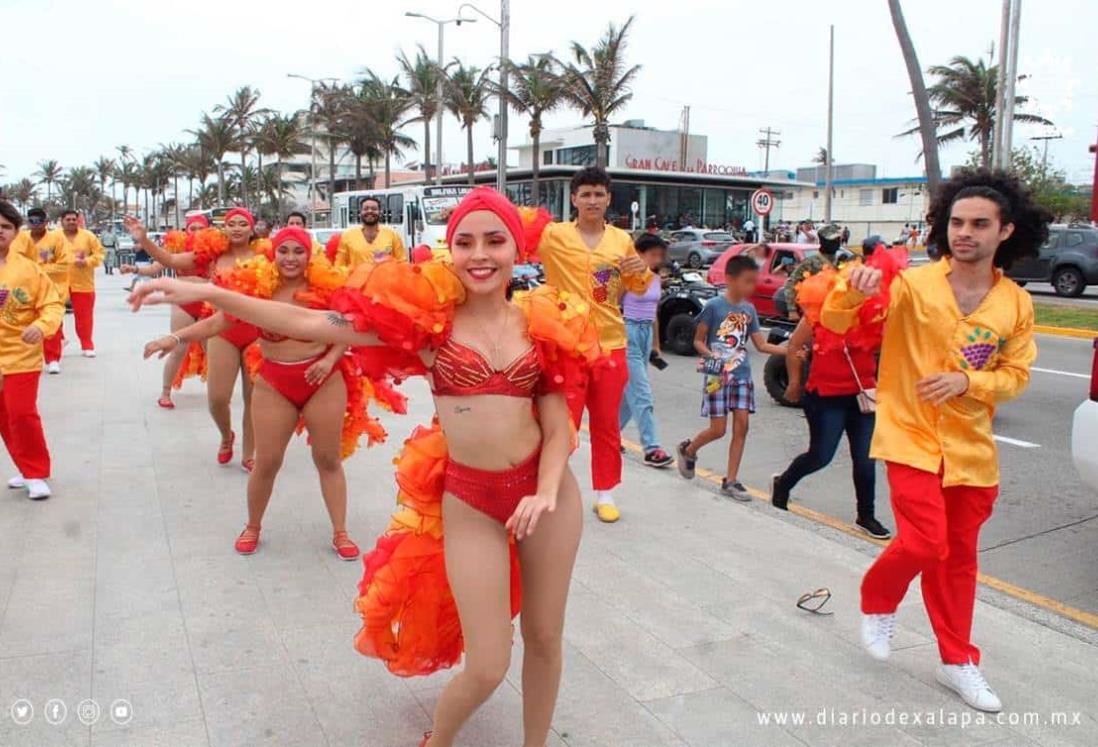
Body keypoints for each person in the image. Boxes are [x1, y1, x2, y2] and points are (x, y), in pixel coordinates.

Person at [129, 187, 595, 747]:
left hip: (547, 498)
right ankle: (439, 740)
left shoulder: (541, 323)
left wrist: (544, 490)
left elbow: (556, 415)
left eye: (494, 241)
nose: (480, 255)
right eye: (465, 242)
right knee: (488, 664)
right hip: (472, 502)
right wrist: (208, 291)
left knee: (545, 637)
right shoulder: (431, 328)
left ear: (515, 249)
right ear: (450, 251)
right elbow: (310, 322)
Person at [823, 169, 1049, 713]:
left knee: (959, 559)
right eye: (956, 222)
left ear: (1005, 231)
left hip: (971, 449)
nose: (964, 232)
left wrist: (970, 381)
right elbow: (837, 321)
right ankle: (879, 601)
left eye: (979, 224)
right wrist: (853, 292)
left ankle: (958, 661)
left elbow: (1016, 375)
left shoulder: (1014, 303)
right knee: (924, 542)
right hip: (910, 434)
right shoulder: (912, 285)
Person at [141, 227, 379, 558]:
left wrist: (329, 359)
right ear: (273, 253)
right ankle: (253, 525)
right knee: (267, 462)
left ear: (310, 255)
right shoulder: (257, 288)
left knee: (327, 459)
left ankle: (340, 532)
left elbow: (348, 326)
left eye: (299, 251)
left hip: (323, 382)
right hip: (275, 383)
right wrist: (174, 339)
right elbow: (216, 324)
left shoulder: (325, 287)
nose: (291, 258)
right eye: (284, 251)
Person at [536, 166, 653, 522]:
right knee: (561, 423)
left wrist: (640, 269)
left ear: (608, 199)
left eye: (598, 194)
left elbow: (638, 287)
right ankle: (548, 488)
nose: (592, 200)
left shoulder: (621, 240)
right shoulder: (553, 236)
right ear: (573, 199)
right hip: (567, 344)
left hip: (610, 343)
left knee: (606, 423)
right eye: (585, 194)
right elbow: (515, 239)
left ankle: (605, 492)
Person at [770, 245, 902, 540]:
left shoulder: (878, 314)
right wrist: (793, 383)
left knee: (866, 458)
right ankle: (783, 484)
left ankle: (865, 515)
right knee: (821, 455)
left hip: (862, 395)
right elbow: (793, 347)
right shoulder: (820, 310)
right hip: (825, 396)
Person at [125, 207, 263, 470]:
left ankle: (249, 453)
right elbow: (171, 261)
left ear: (252, 228)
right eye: (230, 223)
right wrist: (143, 240)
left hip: (257, 332)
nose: (236, 228)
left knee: (253, 400)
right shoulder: (213, 255)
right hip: (221, 329)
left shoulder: (265, 255)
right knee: (217, 399)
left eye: (242, 223)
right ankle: (226, 435)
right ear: (224, 228)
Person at [676, 255, 786, 498]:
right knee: (718, 429)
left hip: (742, 374)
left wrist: (789, 350)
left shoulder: (749, 309)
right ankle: (689, 449)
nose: (751, 286)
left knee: (742, 426)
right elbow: (698, 340)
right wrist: (712, 357)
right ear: (730, 279)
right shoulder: (714, 306)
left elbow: (761, 345)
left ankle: (731, 480)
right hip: (717, 374)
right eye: (747, 281)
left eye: (753, 281)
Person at [0, 200, 65, 500]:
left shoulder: (29, 270)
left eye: (5, 227)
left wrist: (41, 325)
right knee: (4, 417)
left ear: (15, 233)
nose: (0, 232)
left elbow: (51, 304)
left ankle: (36, 471)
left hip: (20, 355)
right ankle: (25, 467)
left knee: (21, 412)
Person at [120, 214, 217, 407]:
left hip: (208, 303)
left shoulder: (216, 250)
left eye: (201, 228)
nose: (196, 232)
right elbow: (156, 267)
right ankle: (165, 392)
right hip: (183, 303)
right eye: (192, 228)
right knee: (177, 347)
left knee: (213, 352)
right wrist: (135, 269)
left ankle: (218, 394)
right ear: (185, 230)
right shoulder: (176, 248)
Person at [619, 234, 673, 468]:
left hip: (646, 334)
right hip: (627, 332)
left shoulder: (654, 278)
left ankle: (609, 435)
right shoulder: (625, 275)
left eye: (660, 255)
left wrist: (656, 346)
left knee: (629, 397)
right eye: (653, 254)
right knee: (642, 393)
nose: (657, 259)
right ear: (638, 254)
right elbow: (607, 302)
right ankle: (652, 449)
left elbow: (655, 313)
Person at [11, 208, 70, 374]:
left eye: (39, 221)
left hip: (53, 288)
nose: (35, 225)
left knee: (52, 322)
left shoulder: (57, 238)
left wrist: (38, 269)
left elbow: (64, 264)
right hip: (25, 289)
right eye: (32, 221)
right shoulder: (20, 238)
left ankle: (52, 358)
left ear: (46, 222)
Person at [58, 210, 104, 357]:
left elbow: (100, 254)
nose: (71, 222)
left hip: (83, 283)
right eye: (68, 219)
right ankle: (59, 340)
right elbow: (45, 253)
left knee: (84, 317)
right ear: (62, 221)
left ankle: (87, 345)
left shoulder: (88, 236)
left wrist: (87, 261)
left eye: (73, 219)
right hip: (58, 283)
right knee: (53, 315)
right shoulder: (53, 237)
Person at [780, 223, 844, 319]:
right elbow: (791, 283)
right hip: (815, 312)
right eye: (832, 240)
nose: (836, 243)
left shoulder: (841, 260)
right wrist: (792, 310)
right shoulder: (811, 262)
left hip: (835, 310)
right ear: (823, 241)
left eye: (837, 240)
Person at [334, 196, 406, 270]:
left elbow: (402, 263)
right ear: (360, 212)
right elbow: (339, 265)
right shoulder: (348, 236)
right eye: (366, 209)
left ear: (380, 212)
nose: (370, 211)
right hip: (357, 281)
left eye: (374, 209)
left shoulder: (392, 235)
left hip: (385, 281)